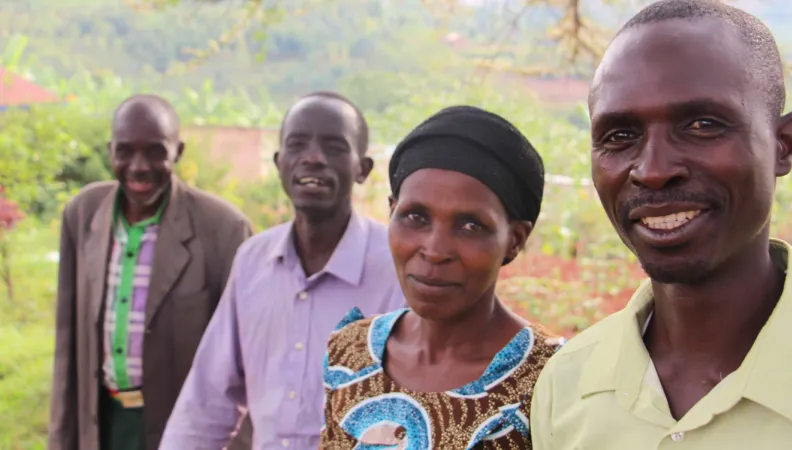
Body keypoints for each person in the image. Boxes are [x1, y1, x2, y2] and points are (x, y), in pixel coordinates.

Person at [530, 0, 792, 448]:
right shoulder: (567, 387)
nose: (653, 170)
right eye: (620, 136)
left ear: (782, 146)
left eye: (703, 125)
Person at [159, 91, 405, 450]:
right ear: (278, 163)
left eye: (334, 146)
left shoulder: (397, 270)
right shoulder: (252, 262)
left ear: (362, 169)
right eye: (297, 144)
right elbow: (206, 404)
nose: (313, 158)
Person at [321, 106, 564, 449]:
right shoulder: (350, 353)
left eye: (471, 226)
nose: (435, 250)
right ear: (391, 212)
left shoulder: (553, 379)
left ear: (514, 240)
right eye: (415, 217)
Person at [48, 94, 253, 450]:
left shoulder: (223, 229)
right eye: (125, 151)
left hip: (184, 431)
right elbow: (68, 348)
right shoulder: (82, 215)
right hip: (102, 425)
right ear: (110, 151)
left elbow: (250, 360)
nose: (139, 166)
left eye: (156, 151)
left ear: (178, 152)